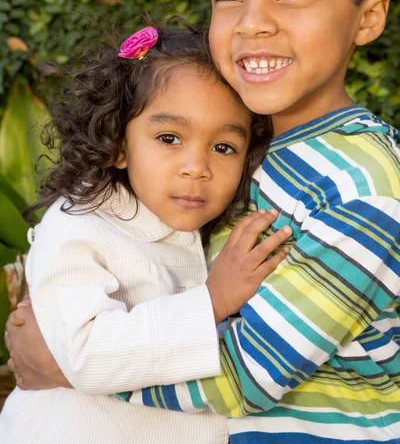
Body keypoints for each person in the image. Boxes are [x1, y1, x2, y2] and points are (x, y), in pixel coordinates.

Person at [6, 0, 400, 443]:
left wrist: (66, 365)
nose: (254, 23)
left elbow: (245, 376)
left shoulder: (365, 186)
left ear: (367, 18)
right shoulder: (245, 146)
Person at [0, 23, 291, 444]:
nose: (197, 166)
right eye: (169, 137)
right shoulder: (78, 228)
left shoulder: (218, 229)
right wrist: (212, 301)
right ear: (119, 143)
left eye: (223, 147)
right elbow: (86, 356)